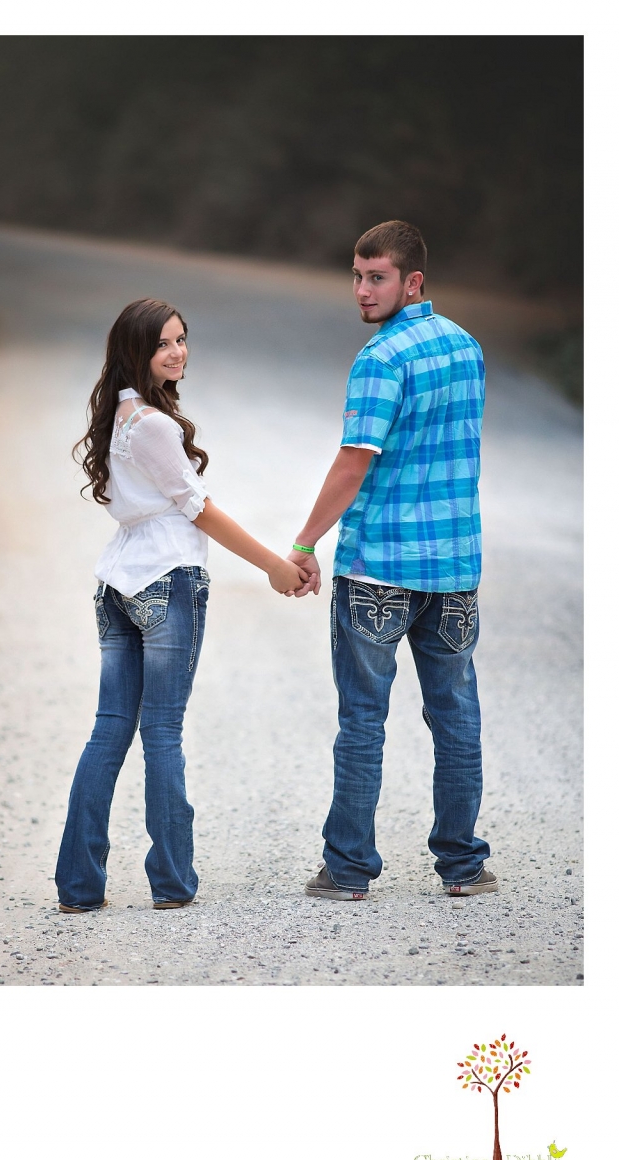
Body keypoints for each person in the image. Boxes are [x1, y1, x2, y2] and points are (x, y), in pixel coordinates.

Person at [55, 297, 310, 912]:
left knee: (110, 729)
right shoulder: (156, 427)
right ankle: (171, 883)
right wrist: (276, 566)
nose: (178, 352)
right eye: (163, 343)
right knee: (161, 733)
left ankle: (79, 887)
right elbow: (200, 511)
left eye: (182, 339)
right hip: (166, 581)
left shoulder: (119, 417)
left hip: (118, 581)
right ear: (135, 352)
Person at [286, 220, 496, 900]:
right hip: (455, 568)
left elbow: (354, 461)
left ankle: (348, 869)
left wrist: (304, 541)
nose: (362, 289)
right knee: (457, 716)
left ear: (413, 281)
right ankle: (463, 865)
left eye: (376, 277)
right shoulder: (467, 348)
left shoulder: (380, 359)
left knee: (363, 721)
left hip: (378, 567)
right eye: (356, 275)